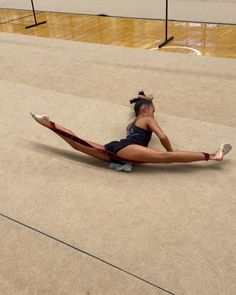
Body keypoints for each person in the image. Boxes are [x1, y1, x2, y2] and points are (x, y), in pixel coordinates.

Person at [30, 91, 232, 166]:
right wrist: (171, 152)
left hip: (119, 150)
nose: (155, 112)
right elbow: (162, 135)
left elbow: (142, 104)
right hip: (128, 149)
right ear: (146, 110)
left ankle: (50, 124)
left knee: (79, 145)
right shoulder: (147, 118)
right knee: (165, 159)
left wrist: (147, 99)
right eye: (153, 109)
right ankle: (214, 156)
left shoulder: (133, 123)